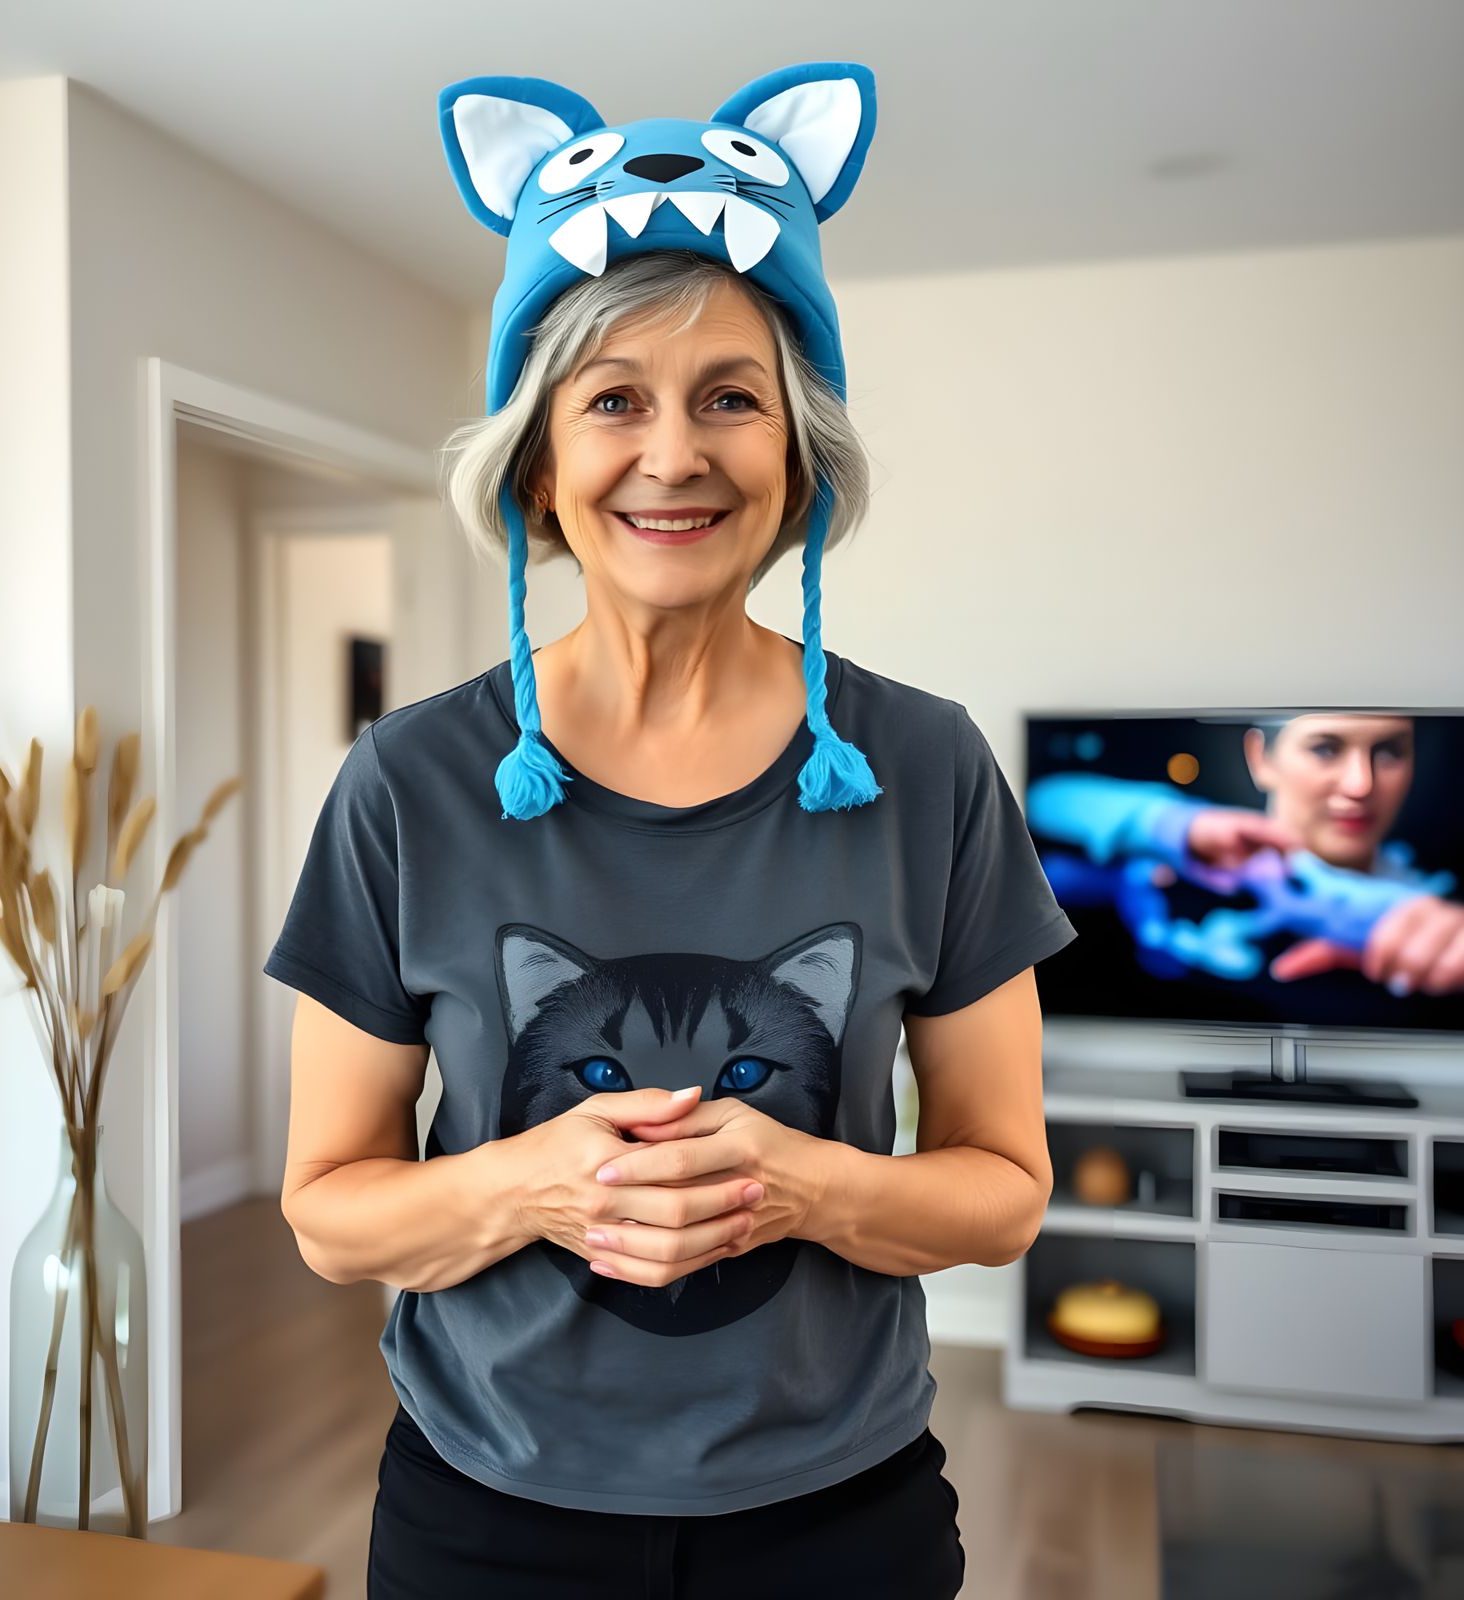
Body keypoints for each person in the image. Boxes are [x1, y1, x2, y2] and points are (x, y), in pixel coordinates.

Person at [266, 61, 1078, 1598]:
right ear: (539, 464)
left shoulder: (926, 766)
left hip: (841, 1520)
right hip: (483, 1519)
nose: (674, 454)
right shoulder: (410, 784)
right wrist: (535, 1184)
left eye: (730, 399)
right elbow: (328, 1211)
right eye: (614, 400)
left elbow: (1006, 1186)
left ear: (794, 457)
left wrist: (805, 1184)